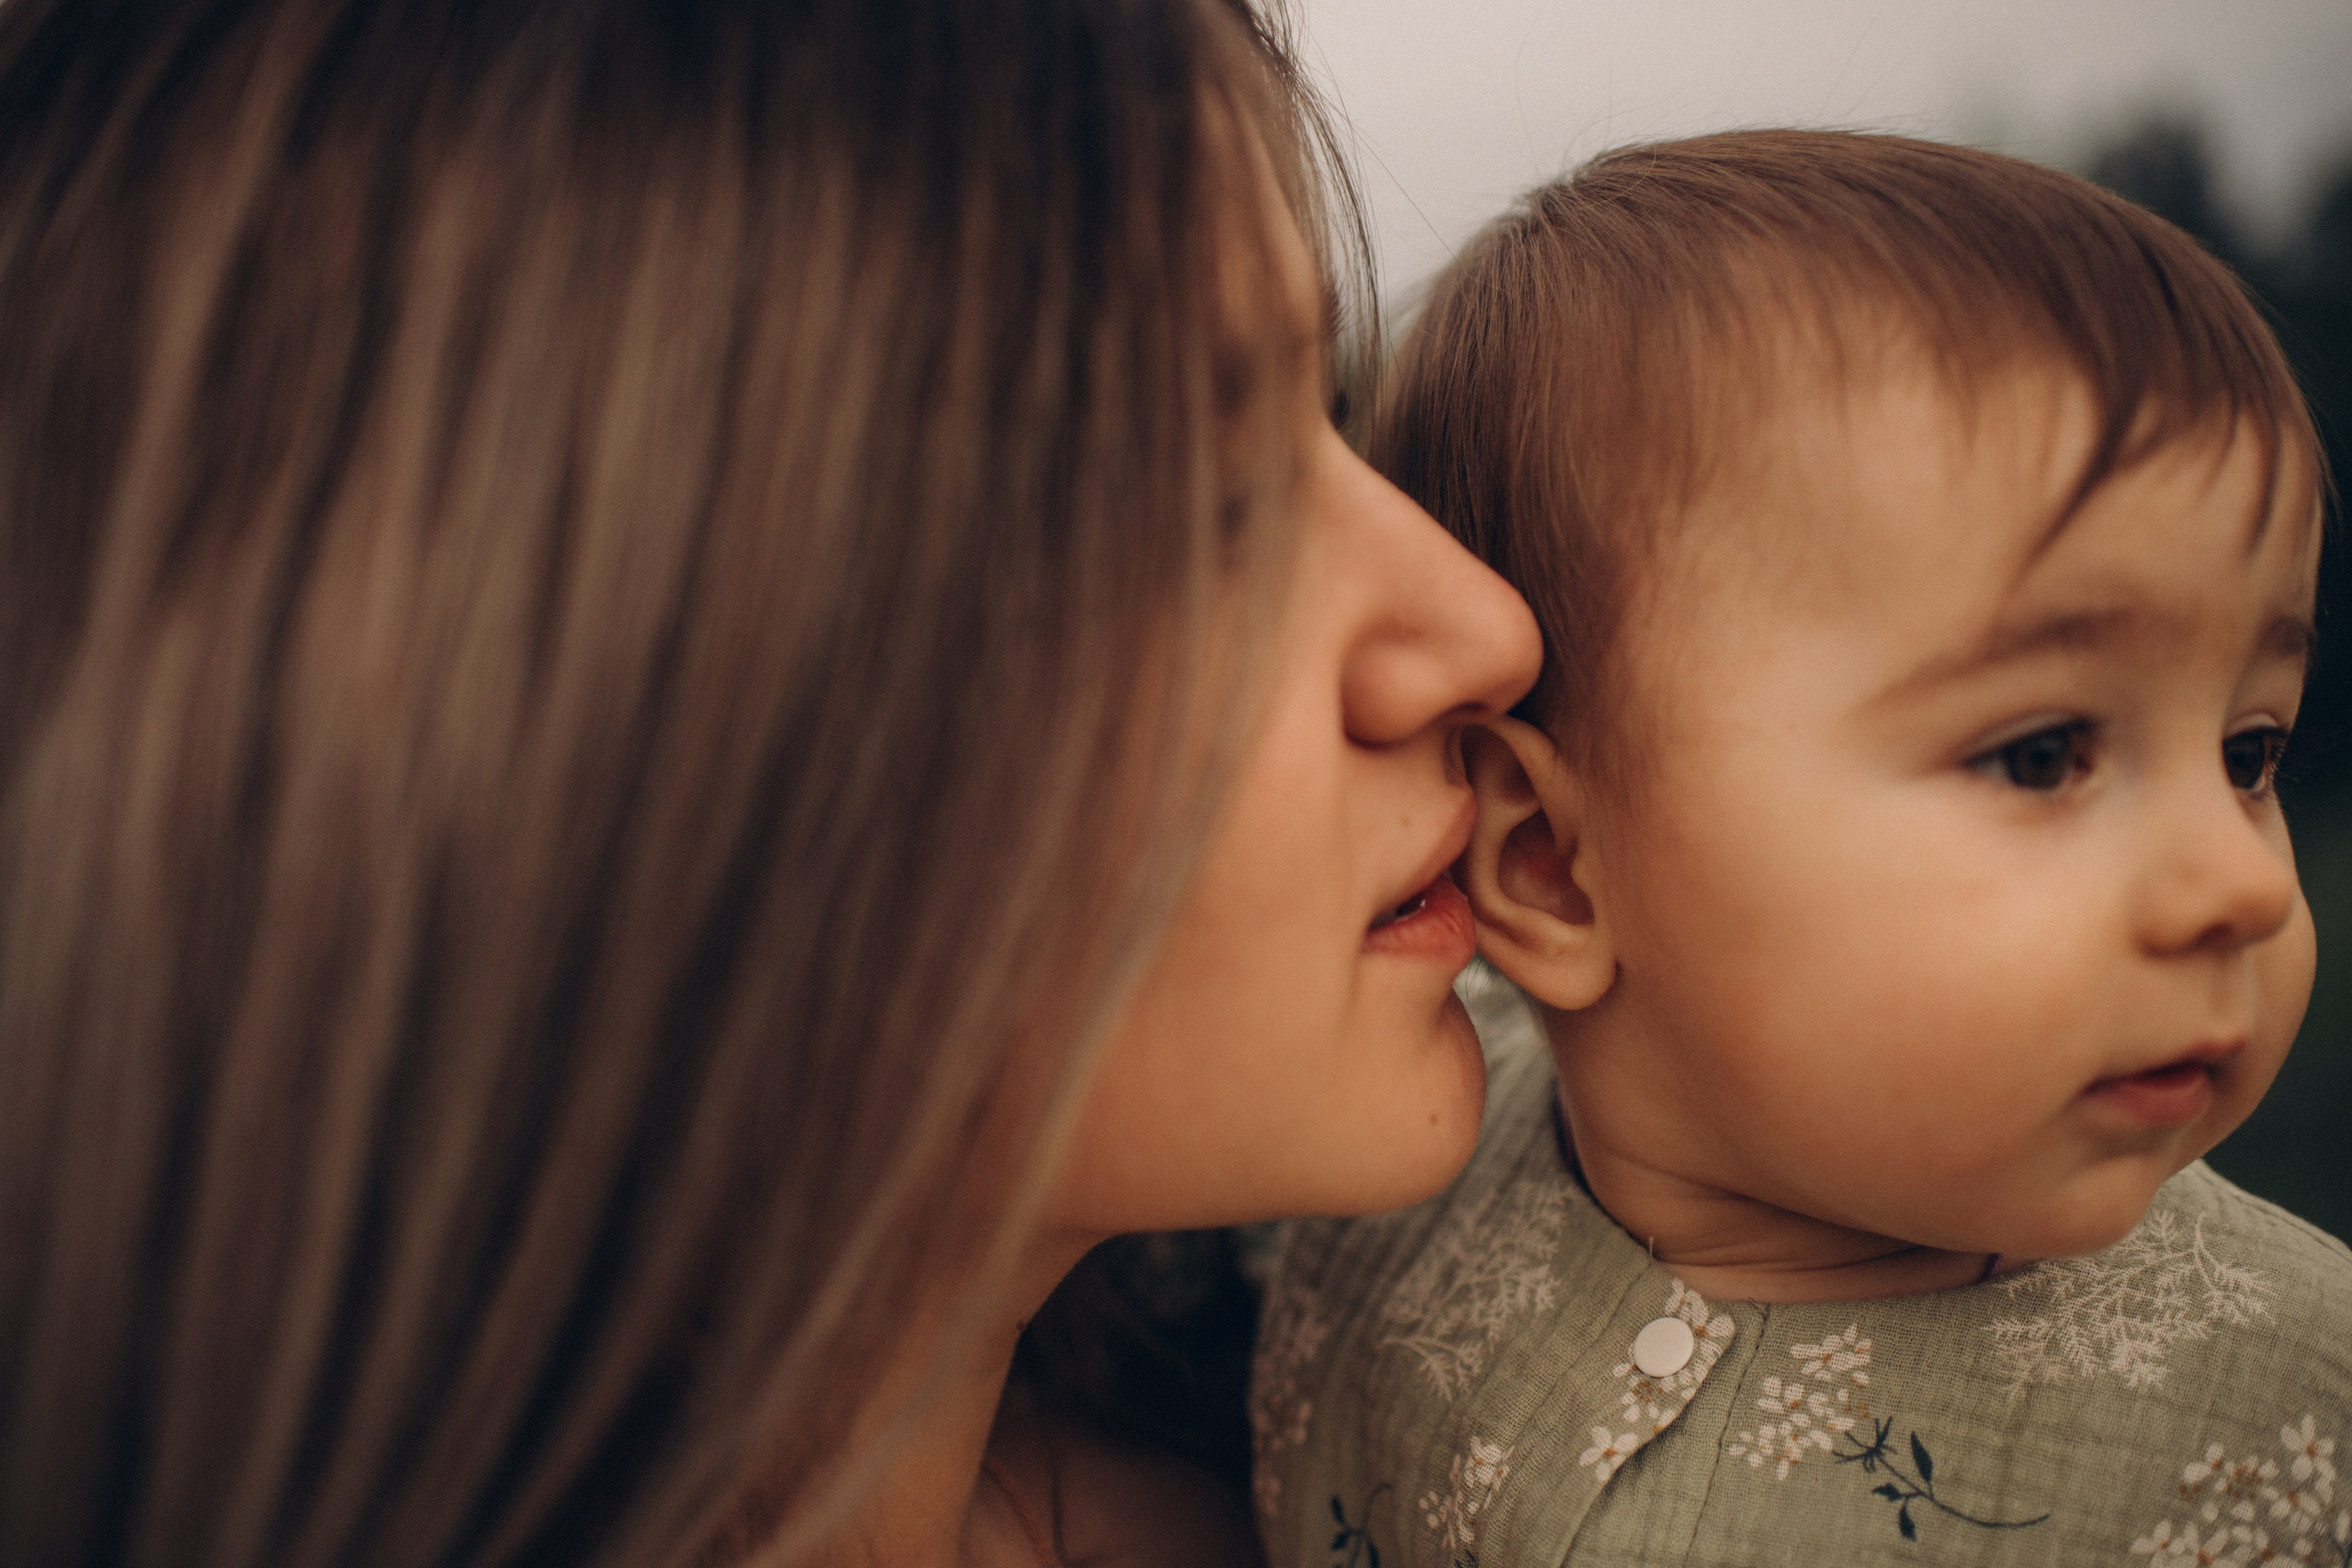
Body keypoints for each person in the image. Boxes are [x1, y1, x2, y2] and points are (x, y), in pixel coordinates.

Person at [0, 2, 1542, 1565]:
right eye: (1196, 504)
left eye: (1329, 423)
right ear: (593, 747)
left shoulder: (1321, 1477)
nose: (1484, 627)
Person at [1252, 130, 2352, 1567]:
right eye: (2041, 755)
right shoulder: (1354, 1192)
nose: (2248, 883)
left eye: (2247, 754)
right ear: (1549, 870)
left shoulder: (2292, 1408)